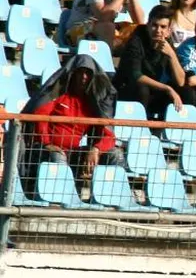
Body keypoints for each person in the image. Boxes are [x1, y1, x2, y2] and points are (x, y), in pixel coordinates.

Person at [19, 55, 121, 196]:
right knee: (58, 156)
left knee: (115, 155)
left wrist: (96, 150)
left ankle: (111, 198)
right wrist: (47, 143)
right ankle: (59, 198)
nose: (84, 77)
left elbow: (108, 135)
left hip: (73, 152)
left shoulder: (93, 104)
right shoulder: (58, 94)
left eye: (88, 73)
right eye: (80, 72)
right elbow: (40, 117)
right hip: (44, 150)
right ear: (73, 74)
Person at [114, 5, 186, 118]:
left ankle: (177, 125)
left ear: (169, 31)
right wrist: (167, 88)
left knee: (187, 92)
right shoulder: (136, 41)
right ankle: (137, 124)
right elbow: (136, 76)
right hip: (127, 90)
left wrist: (172, 55)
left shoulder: (167, 45)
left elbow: (181, 82)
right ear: (148, 25)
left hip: (153, 93)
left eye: (163, 27)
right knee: (142, 89)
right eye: (154, 25)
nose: (158, 30)